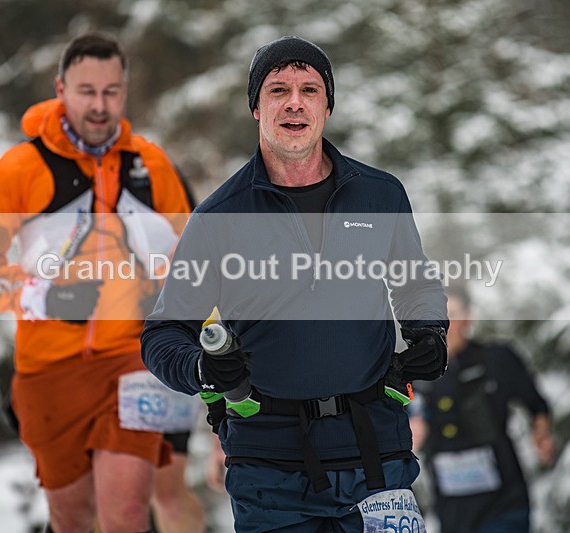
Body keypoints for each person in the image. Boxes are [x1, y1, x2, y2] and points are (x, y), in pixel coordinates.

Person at [141, 36, 449, 532]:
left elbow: (416, 283)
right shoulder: (220, 217)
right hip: (269, 470)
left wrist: (429, 333)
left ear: (327, 105)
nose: (294, 102)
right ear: (256, 109)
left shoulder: (379, 194)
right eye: (278, 89)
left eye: (309, 89)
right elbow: (163, 334)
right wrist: (203, 368)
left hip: (377, 456)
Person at [0, 32, 204, 533]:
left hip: (133, 359)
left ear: (124, 92)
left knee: (129, 511)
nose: (99, 105)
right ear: (60, 88)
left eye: (111, 91)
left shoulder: (151, 165)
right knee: (72, 519)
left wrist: (169, 291)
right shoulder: (20, 169)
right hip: (48, 370)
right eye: (86, 90)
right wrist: (44, 295)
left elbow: (193, 257)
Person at [409, 284, 556, 533]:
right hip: (452, 513)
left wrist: (541, 434)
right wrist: (409, 435)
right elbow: (397, 426)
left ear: (468, 318)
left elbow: (537, 405)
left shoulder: (497, 359)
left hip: (503, 506)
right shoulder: (415, 375)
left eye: (451, 315)